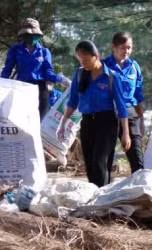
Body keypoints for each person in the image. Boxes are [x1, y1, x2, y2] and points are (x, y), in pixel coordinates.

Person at [57, 41, 129, 187]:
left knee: (100, 162)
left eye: (86, 60)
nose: (83, 64)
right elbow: (72, 102)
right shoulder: (79, 74)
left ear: (96, 56)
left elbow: (121, 107)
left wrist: (125, 133)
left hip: (107, 123)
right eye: (80, 60)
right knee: (89, 163)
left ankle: (101, 199)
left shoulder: (111, 77)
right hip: (88, 122)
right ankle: (97, 196)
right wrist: (62, 123)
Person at [1, 18, 70, 118]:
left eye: (33, 35)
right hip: (21, 87)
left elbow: (48, 73)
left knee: (39, 120)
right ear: (23, 35)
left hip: (40, 89)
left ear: (38, 35)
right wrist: (2, 84)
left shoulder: (44, 52)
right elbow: (7, 70)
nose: (31, 37)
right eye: (27, 35)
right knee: (20, 119)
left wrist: (61, 79)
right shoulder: (15, 49)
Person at [103, 32, 145, 174]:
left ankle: (139, 193)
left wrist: (141, 118)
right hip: (108, 113)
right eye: (123, 47)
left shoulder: (134, 67)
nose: (126, 51)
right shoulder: (103, 66)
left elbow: (138, 93)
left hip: (130, 112)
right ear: (113, 47)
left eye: (129, 48)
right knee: (105, 160)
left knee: (137, 159)